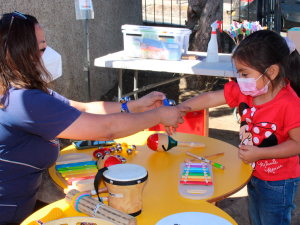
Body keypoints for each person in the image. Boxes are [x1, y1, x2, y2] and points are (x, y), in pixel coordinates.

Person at [0, 12, 190, 224]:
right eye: (42, 47)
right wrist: (158, 115)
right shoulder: (23, 100)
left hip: (20, 207)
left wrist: (135, 105)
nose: (47, 54)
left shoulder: (19, 90)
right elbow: (107, 129)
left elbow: (82, 108)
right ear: (21, 53)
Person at [176, 30, 300, 225]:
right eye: (238, 73)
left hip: (279, 181)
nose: (240, 79)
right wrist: (178, 109)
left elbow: (297, 144)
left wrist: (259, 154)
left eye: (244, 73)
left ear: (272, 72)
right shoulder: (247, 91)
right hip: (252, 173)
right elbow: (210, 97)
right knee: (257, 219)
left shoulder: (290, 103)